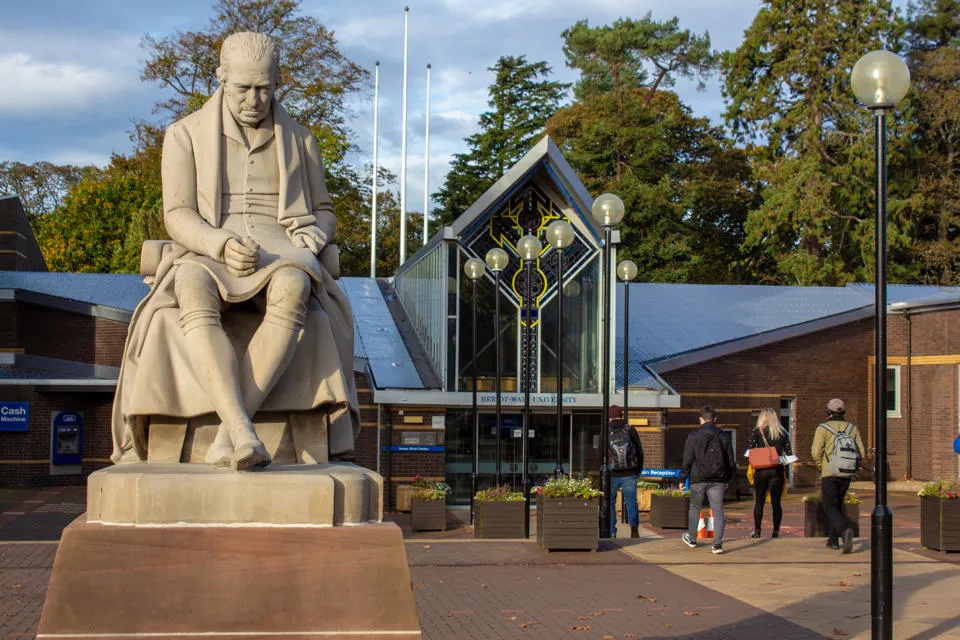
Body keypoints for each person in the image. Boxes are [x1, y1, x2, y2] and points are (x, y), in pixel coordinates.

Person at [111, 32, 358, 470]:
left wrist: (315, 236)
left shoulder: (302, 141)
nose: (254, 99)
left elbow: (325, 211)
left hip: (280, 250)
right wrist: (218, 244)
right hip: (209, 248)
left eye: (264, 88)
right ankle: (243, 432)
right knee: (189, 285)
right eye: (243, 88)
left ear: (278, 81)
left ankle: (231, 432)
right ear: (221, 78)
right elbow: (178, 213)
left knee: (294, 285)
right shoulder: (184, 134)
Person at [811, 398, 866, 553]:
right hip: (846, 473)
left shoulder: (823, 428)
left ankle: (843, 530)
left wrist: (822, 466)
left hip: (830, 472)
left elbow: (815, 452)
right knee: (838, 505)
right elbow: (861, 452)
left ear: (828, 412)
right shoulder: (851, 428)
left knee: (829, 505)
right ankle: (833, 540)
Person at [680, 406, 735, 554]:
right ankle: (717, 544)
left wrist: (682, 477)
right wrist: (728, 478)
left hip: (698, 477)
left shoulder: (693, 435)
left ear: (700, 419)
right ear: (715, 419)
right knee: (717, 510)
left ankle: (692, 538)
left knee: (695, 507)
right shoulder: (724, 436)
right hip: (718, 478)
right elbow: (730, 460)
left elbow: (687, 458)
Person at [747, 407, 793, 539]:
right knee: (776, 503)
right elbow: (789, 455)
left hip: (761, 471)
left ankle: (757, 531)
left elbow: (750, 451)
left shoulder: (757, 431)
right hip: (776, 471)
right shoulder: (782, 433)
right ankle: (776, 531)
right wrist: (778, 459)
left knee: (759, 501)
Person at [607, 405, 643, 539]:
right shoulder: (630, 429)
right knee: (631, 501)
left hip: (612, 473)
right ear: (621, 415)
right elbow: (639, 451)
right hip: (630, 472)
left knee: (609, 501)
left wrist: (603, 470)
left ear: (610, 417)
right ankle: (634, 528)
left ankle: (612, 531)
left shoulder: (607, 430)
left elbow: (600, 452)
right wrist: (638, 469)